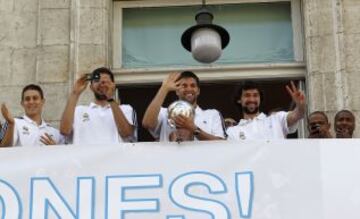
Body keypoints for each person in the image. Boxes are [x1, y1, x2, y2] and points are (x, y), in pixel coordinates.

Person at [60, 67, 137, 145]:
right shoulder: (78, 111)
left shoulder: (126, 109)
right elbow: (64, 131)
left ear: (113, 85)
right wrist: (75, 93)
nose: (102, 83)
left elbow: (127, 133)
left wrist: (110, 98)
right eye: (97, 81)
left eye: (106, 81)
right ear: (91, 87)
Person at [142, 71, 225, 142]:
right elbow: (147, 124)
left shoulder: (212, 114)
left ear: (198, 91)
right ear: (177, 91)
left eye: (193, 86)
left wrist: (193, 129)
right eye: (184, 86)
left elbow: (221, 144)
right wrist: (164, 89)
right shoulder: (165, 113)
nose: (189, 89)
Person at [226, 81, 305, 140]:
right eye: (247, 95)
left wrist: (300, 106)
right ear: (239, 100)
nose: (252, 99)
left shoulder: (276, 119)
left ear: (260, 99)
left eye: (255, 95)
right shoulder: (232, 132)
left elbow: (297, 115)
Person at [0, 84, 64, 147]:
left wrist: (56, 150)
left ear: (42, 101)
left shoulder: (55, 132)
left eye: (35, 98)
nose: (31, 102)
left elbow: (65, 155)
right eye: (27, 99)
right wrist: (11, 124)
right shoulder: (14, 123)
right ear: (22, 103)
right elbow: (3, 150)